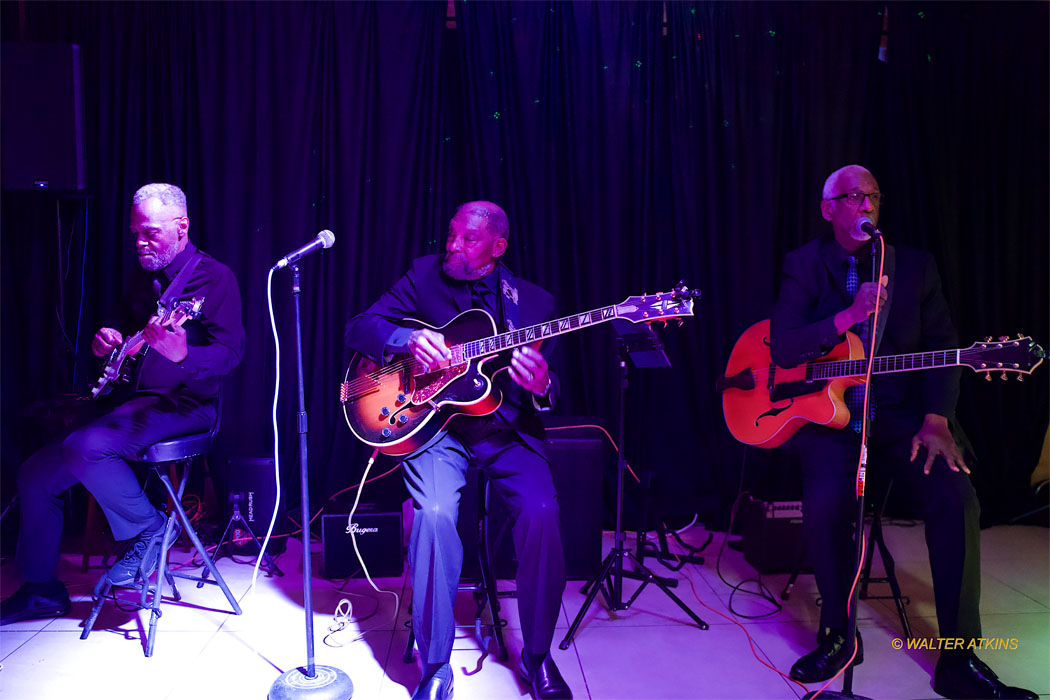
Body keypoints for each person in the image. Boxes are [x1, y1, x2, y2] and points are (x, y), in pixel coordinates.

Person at [770, 165, 1035, 699]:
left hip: (898, 422)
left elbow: (945, 346)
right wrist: (850, 314)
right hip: (833, 422)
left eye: (873, 196)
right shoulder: (804, 264)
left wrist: (936, 420)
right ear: (829, 209)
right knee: (823, 499)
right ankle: (838, 636)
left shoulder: (914, 267)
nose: (865, 205)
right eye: (852, 197)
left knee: (954, 494)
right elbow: (783, 347)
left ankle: (960, 659)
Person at [345, 201, 572, 700]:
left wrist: (544, 383)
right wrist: (407, 338)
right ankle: (435, 665)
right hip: (437, 434)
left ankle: (536, 654)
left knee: (542, 512)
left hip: (506, 431)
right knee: (432, 512)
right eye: (451, 234)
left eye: (467, 240)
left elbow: (559, 389)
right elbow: (359, 326)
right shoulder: (423, 276)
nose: (451, 246)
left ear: (497, 247)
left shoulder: (533, 305)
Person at [0, 183, 245, 625]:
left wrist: (185, 355)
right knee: (34, 475)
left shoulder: (215, 279)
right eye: (135, 233)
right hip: (128, 403)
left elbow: (231, 355)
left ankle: (149, 530)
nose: (139, 242)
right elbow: (120, 319)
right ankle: (40, 590)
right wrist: (106, 338)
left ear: (181, 227)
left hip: (184, 406)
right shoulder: (142, 274)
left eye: (149, 233)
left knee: (85, 447)